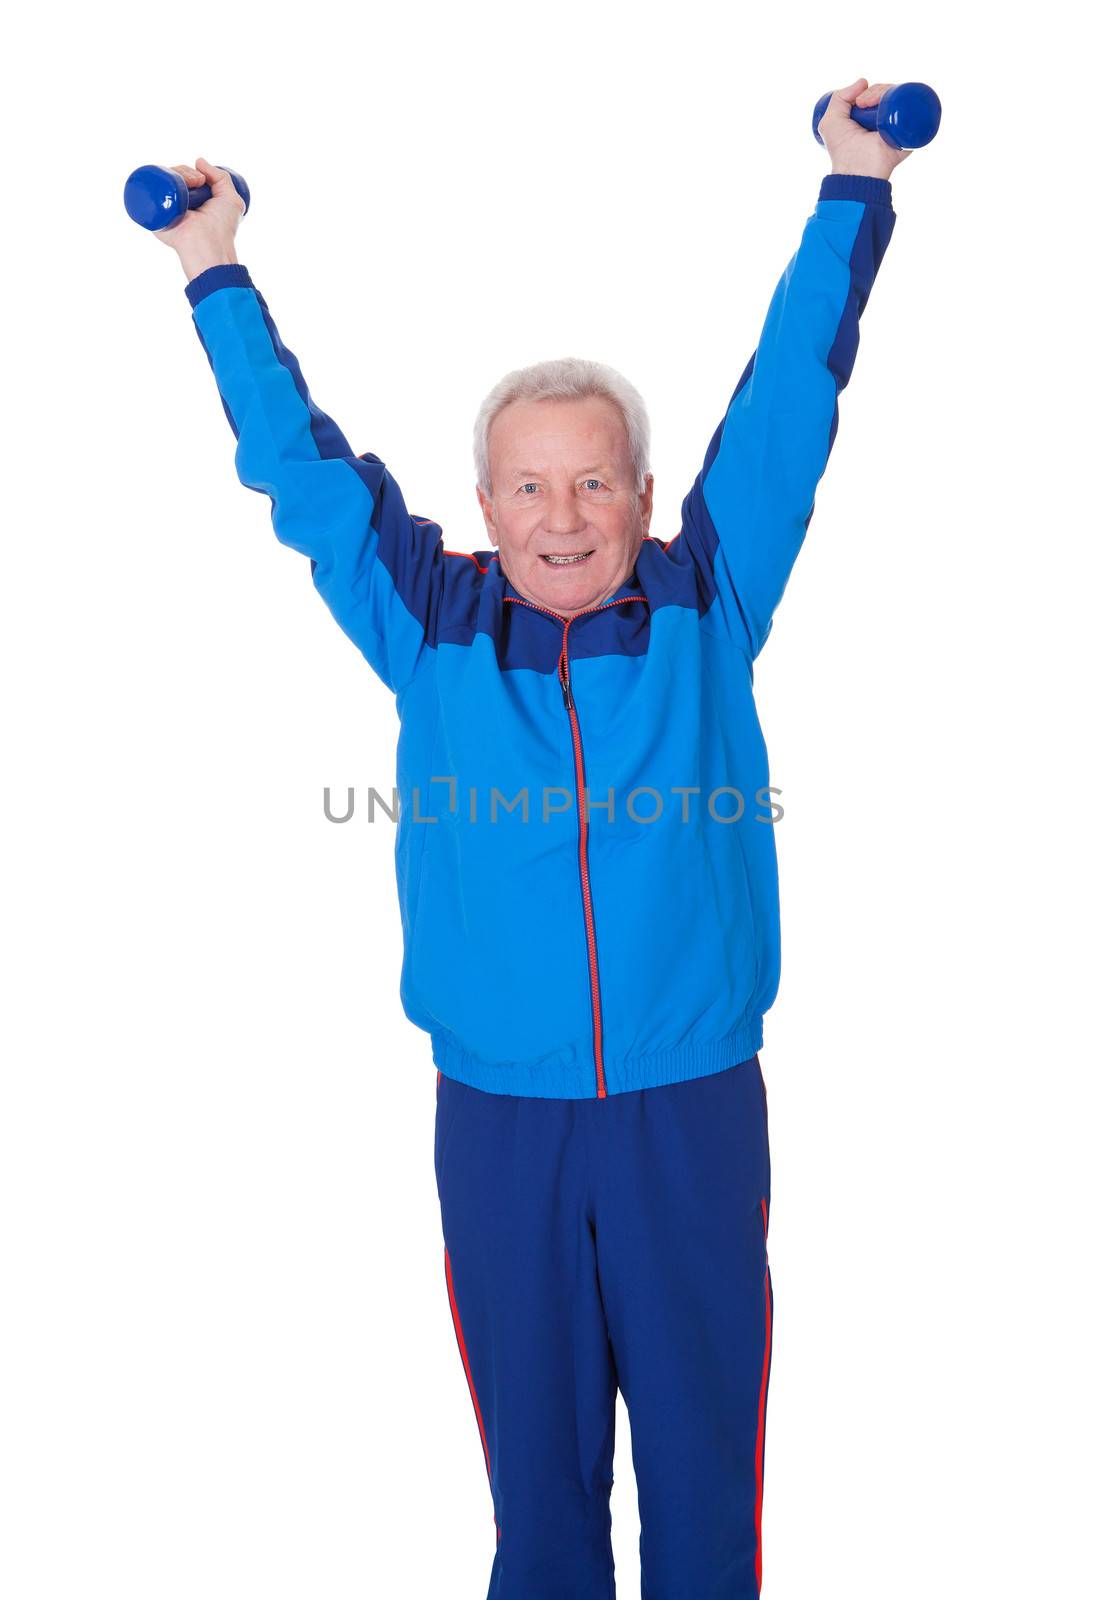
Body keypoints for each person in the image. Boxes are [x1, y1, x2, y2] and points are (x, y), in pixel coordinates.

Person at [153, 77, 910, 1597]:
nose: (563, 513)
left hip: (689, 1106)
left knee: (703, 1486)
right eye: (528, 485)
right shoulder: (426, 621)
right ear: (483, 505)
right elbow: (298, 471)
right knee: (539, 1498)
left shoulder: (709, 602)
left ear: (642, 495)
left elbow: (787, 407)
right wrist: (213, 266)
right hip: (499, 1116)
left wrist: (855, 184)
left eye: (594, 481)